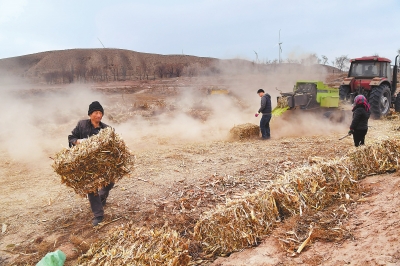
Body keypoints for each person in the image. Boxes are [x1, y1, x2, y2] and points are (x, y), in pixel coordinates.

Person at [68, 101, 114, 226]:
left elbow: (114, 145)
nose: (99, 115)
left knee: (109, 182)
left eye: (100, 113)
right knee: (91, 187)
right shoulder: (82, 125)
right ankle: (98, 215)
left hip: (103, 163)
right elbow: (71, 137)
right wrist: (78, 141)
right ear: (90, 114)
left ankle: (102, 197)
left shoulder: (107, 129)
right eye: (96, 113)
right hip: (87, 164)